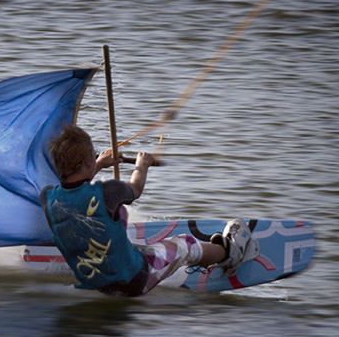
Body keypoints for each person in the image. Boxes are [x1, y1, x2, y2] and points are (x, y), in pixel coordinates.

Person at [39, 124, 258, 296]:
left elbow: (75, 191)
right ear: (88, 161)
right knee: (184, 244)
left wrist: (96, 165)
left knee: (101, 217)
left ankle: (131, 253)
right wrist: (141, 166)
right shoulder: (109, 192)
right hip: (134, 280)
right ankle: (230, 253)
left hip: (97, 282)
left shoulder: (47, 198)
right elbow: (135, 189)